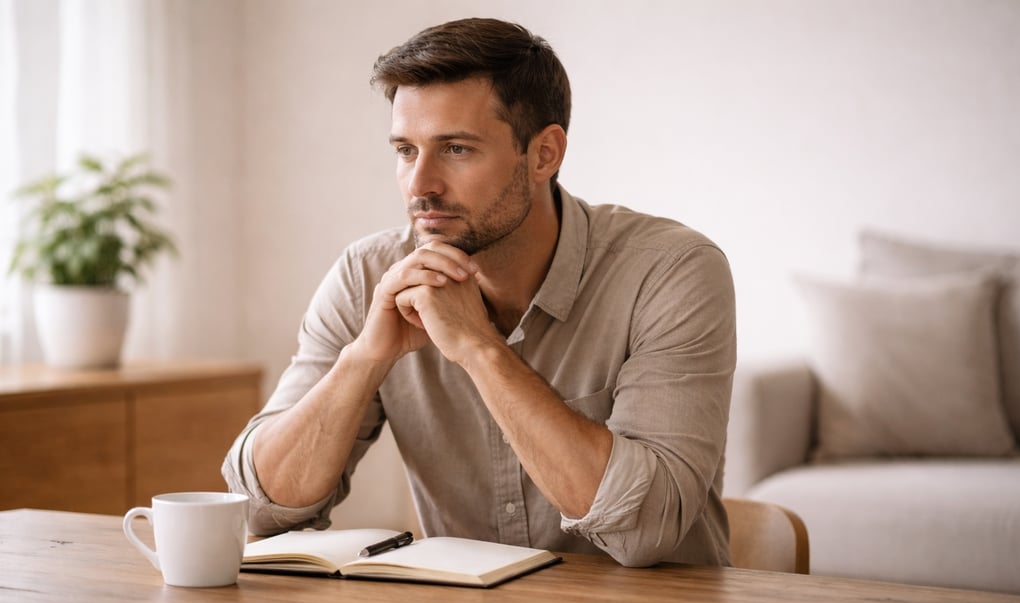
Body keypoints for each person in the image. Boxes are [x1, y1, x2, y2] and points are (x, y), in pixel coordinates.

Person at [222, 17, 736, 568]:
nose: (420, 185)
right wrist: (364, 359)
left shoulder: (670, 272)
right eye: (404, 150)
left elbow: (646, 530)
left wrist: (480, 348)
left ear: (544, 154)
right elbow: (259, 511)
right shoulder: (367, 276)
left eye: (457, 149)